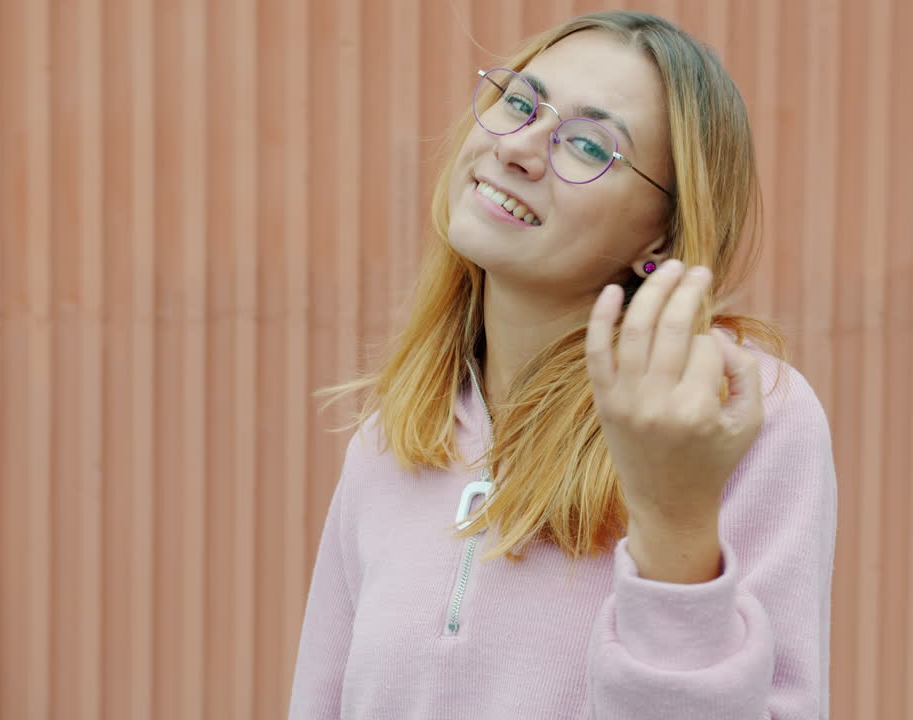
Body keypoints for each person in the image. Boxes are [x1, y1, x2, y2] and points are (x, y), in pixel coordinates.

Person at [288, 10, 836, 719]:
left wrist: (674, 524)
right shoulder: (393, 433)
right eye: (520, 103)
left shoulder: (739, 412)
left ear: (663, 235)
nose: (520, 147)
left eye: (586, 144)